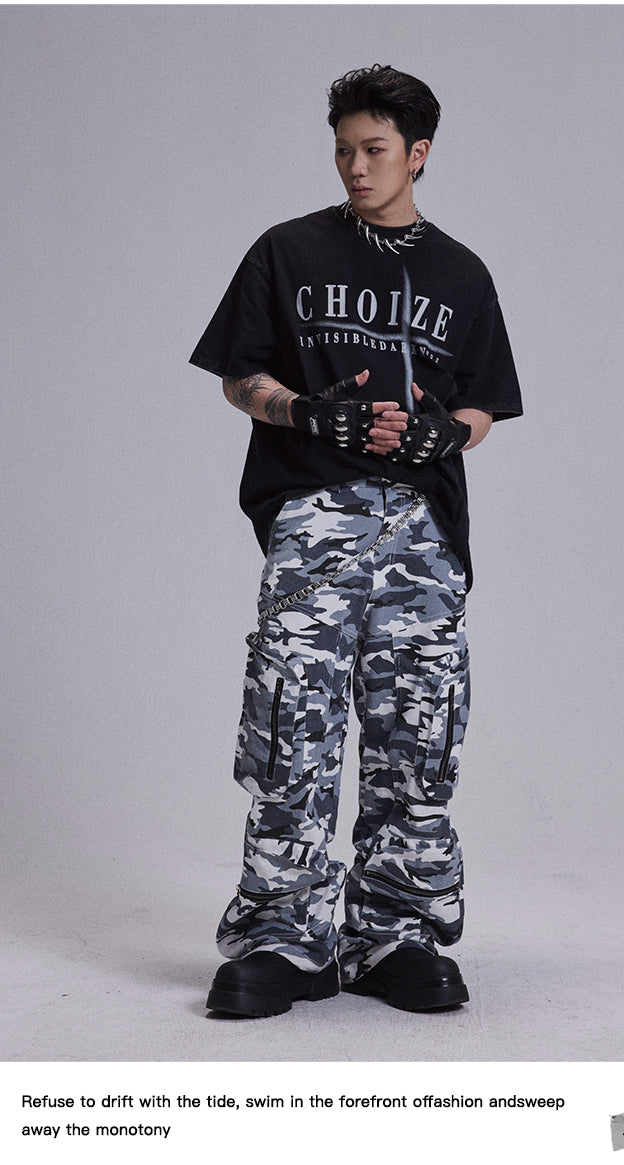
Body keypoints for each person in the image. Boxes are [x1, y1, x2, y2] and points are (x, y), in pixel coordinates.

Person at [189, 64, 522, 1018]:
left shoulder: (462, 274)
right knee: (292, 717)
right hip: (315, 513)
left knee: (416, 727)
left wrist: (444, 434)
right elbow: (239, 376)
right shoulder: (287, 250)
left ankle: (394, 931)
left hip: (422, 526)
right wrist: (303, 412)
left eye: (375, 149)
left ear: (418, 154)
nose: (356, 167)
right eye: (343, 150)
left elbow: (482, 403)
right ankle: (283, 937)